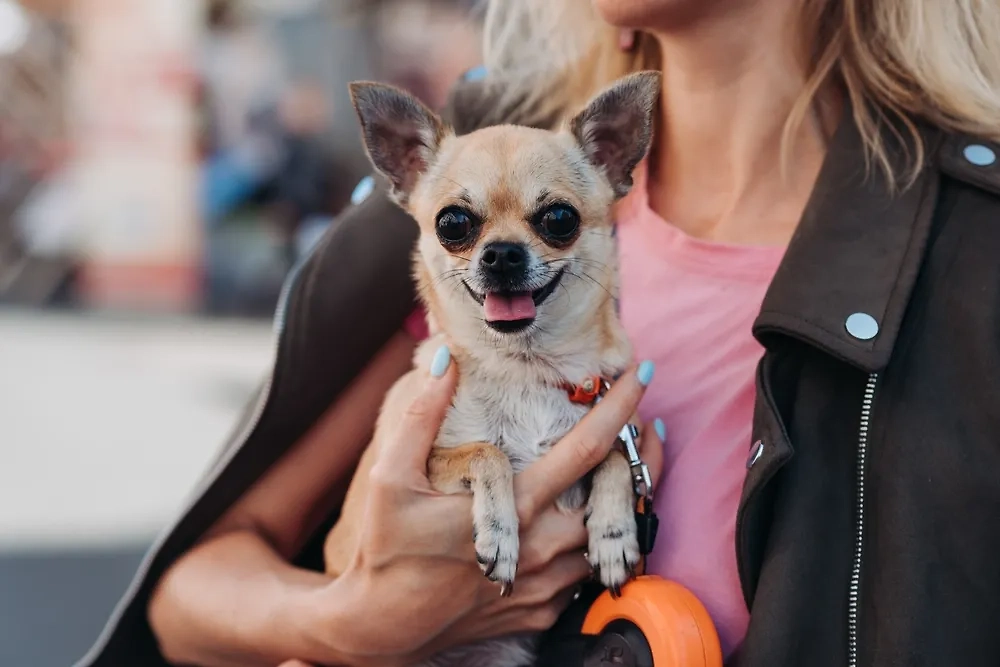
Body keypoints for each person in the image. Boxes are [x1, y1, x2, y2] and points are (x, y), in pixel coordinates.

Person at [78, 0, 1000, 665]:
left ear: (606, 173)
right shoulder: (475, 169)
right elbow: (189, 597)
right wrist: (357, 620)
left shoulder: (968, 252)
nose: (502, 250)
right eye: (464, 231)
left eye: (556, 226)